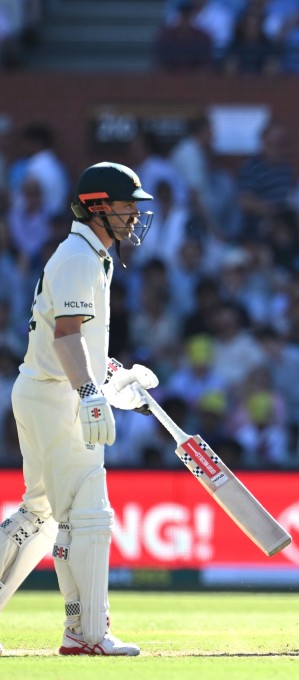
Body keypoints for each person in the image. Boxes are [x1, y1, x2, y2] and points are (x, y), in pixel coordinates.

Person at [0, 163, 160, 655]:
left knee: (42, 514)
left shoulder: (91, 255)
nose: (135, 214)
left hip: (45, 388)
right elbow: (65, 334)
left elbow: (77, 337)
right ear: (96, 206)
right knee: (87, 512)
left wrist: (114, 379)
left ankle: (83, 631)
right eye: (125, 204)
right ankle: (86, 634)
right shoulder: (77, 256)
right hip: (56, 394)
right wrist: (91, 392)